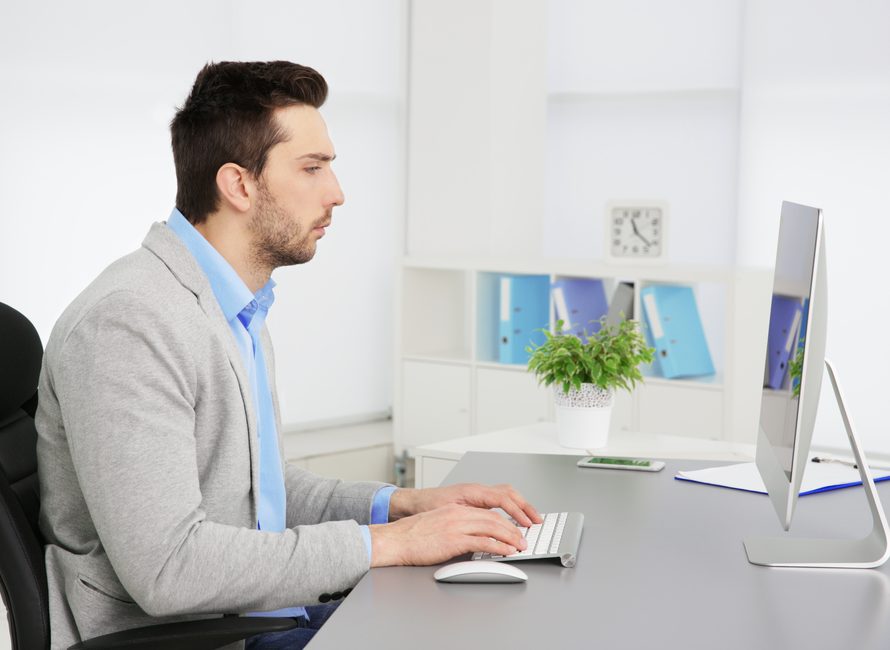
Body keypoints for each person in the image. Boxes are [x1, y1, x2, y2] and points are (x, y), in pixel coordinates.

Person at [35, 60, 542, 650]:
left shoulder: (233, 307)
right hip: (188, 637)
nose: (338, 193)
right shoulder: (131, 322)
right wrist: (392, 544)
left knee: (478, 618)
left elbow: (255, 499)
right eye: (313, 167)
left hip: (250, 618)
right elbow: (170, 570)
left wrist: (400, 506)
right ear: (239, 185)